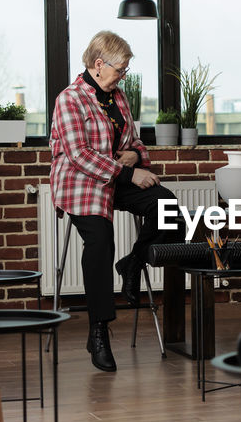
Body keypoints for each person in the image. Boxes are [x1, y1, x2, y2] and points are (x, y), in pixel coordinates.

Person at [49, 30, 177, 372]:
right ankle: (99, 330)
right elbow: (79, 155)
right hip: (82, 183)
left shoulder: (118, 97)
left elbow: (134, 141)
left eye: (125, 70)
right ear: (98, 64)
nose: (123, 76)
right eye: (120, 69)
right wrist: (128, 173)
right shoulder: (70, 99)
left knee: (168, 208)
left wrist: (135, 156)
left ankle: (133, 263)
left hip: (117, 177)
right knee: (100, 241)